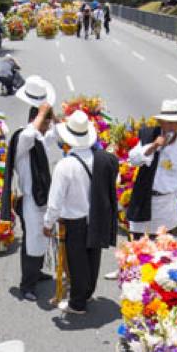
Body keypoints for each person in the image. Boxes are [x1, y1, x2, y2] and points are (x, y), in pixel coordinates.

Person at [42, 110, 118, 315]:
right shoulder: (101, 158)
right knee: (93, 257)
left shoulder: (65, 165)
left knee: (76, 262)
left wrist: (48, 223)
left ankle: (77, 303)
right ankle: (87, 293)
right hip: (96, 217)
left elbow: (55, 201)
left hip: (74, 221)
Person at [1, 75, 57, 301]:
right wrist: (42, 115)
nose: (46, 128)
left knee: (41, 239)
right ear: (36, 120)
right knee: (32, 241)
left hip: (41, 199)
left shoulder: (38, 139)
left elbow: (53, 136)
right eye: (44, 123)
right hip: (30, 201)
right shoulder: (22, 140)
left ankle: (37, 272)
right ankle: (27, 285)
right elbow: (29, 133)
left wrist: (56, 119)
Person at [126, 98, 177, 238]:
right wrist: (153, 146)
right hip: (144, 200)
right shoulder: (149, 136)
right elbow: (133, 159)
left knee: (163, 252)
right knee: (139, 249)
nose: (171, 127)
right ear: (161, 123)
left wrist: (176, 198)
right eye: (168, 122)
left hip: (167, 207)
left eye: (174, 123)